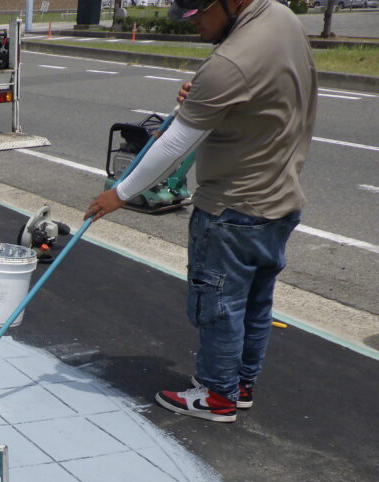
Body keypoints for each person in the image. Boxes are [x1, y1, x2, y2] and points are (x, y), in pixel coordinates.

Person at [85, 0, 317, 423]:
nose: (193, 27)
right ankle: (240, 384)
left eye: (196, 16)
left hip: (233, 209)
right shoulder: (281, 18)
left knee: (219, 306)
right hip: (280, 201)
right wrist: (203, 99)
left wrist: (118, 194)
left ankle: (217, 395)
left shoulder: (229, 63)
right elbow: (254, 95)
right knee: (254, 304)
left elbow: (172, 146)